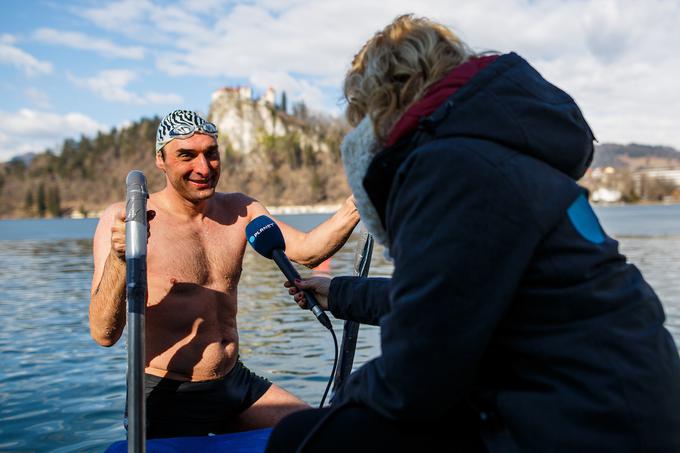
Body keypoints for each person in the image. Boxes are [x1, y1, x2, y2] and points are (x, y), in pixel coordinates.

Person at [267, 14, 680, 452]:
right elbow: (450, 298)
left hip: (582, 423)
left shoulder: (451, 167)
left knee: (300, 439)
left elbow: (418, 373)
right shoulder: (498, 152)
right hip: (622, 404)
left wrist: (338, 407)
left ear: (382, 98)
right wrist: (341, 293)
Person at [89, 109, 360, 438]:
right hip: (167, 395)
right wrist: (121, 257)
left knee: (324, 436)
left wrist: (356, 204)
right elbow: (104, 334)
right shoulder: (125, 220)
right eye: (187, 155)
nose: (203, 168)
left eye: (211, 154)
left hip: (234, 383)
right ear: (160, 159)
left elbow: (306, 251)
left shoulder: (240, 209)